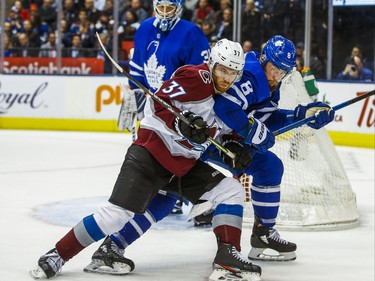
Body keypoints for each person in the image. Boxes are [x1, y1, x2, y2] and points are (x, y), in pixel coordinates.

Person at [78, 35, 334, 277]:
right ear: (265, 60)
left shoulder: (268, 81)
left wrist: (301, 115)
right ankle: (113, 245)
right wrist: (250, 131)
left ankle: (262, 234)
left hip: (218, 138)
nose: (277, 76)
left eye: (283, 71)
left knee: (267, 168)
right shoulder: (254, 75)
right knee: (173, 194)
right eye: (275, 68)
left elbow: (267, 119)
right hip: (205, 139)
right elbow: (225, 108)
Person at [30, 38, 265, 281]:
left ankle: (228, 258)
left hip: (182, 166)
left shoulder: (227, 100)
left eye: (233, 73)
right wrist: (179, 122)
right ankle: (57, 254)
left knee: (230, 189)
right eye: (223, 70)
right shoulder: (197, 77)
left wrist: (233, 148)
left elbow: (220, 135)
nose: (227, 77)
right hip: (151, 154)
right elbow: (158, 100)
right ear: (212, 64)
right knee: (114, 216)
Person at [117, 0, 211, 214]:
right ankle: (155, 192)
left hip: (181, 106)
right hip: (152, 103)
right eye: (161, 8)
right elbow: (138, 68)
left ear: (178, 8)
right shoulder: (144, 28)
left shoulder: (192, 33)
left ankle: (195, 198)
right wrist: (136, 95)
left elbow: (200, 75)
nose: (166, 13)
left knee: (180, 152)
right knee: (150, 150)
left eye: (170, 8)